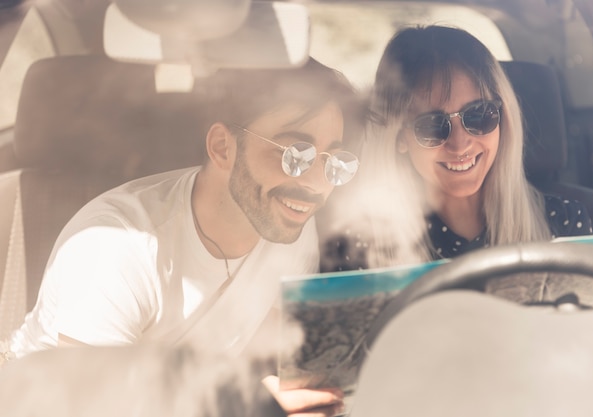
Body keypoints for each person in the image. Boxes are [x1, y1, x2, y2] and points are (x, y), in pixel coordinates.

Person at [5, 57, 364, 416]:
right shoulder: (115, 245)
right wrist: (251, 406)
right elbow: (88, 405)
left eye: (334, 161)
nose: (317, 185)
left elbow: (257, 354)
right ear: (223, 147)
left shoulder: (291, 226)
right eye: (294, 156)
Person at [319, 25, 593, 275]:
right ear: (398, 136)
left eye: (479, 115)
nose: (460, 144)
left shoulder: (564, 225)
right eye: (432, 126)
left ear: (503, 117)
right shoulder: (359, 249)